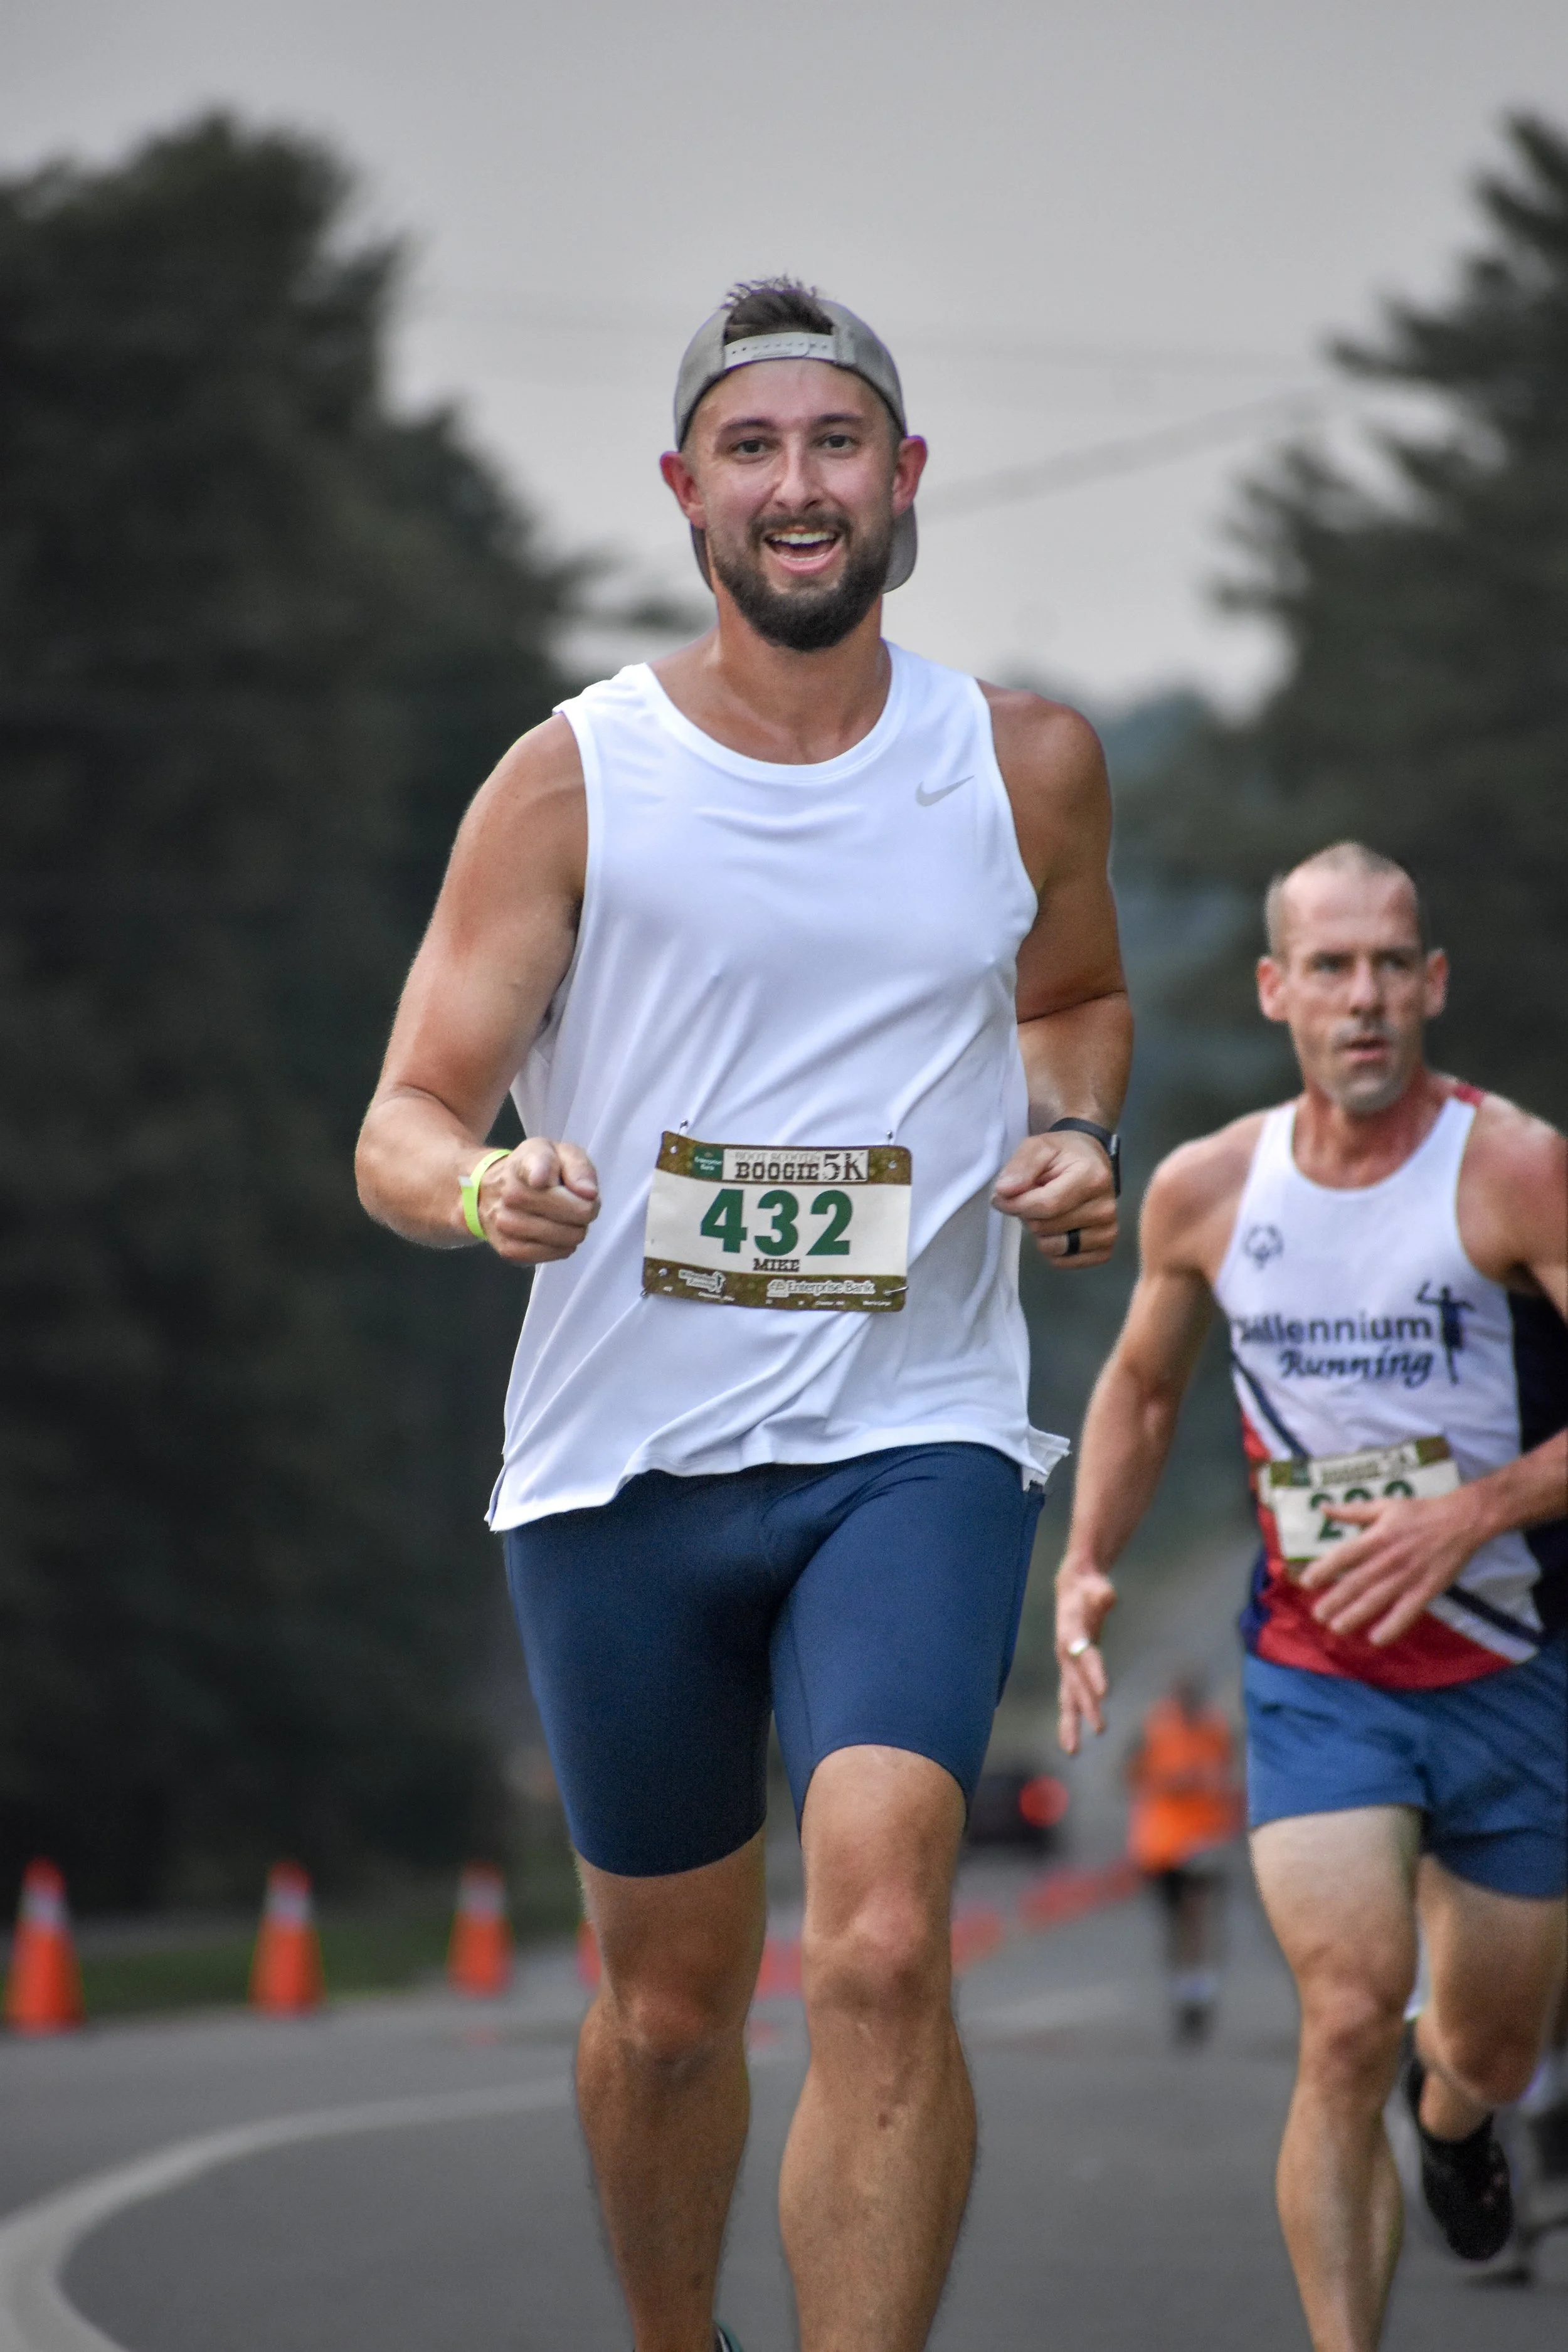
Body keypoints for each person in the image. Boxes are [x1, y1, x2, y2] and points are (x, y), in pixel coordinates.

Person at [357, 278, 1130, 2352]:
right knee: (672, 2012)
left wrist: (1076, 1134)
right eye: (759, 451)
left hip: (918, 1433)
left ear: (906, 480)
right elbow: (403, 1121)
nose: (803, 490)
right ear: (691, 489)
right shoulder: (571, 778)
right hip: (624, 1461)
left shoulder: (1027, 761)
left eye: (840, 446)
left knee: (881, 1937)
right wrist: (480, 1183)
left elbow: (1073, 1001)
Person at [1054, 842, 1567, 2352]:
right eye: (1330, 966)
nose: (1364, 997)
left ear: (1432, 984)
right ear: (1278, 989)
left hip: (1508, 1663)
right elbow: (1143, 1390)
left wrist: (1473, 1509)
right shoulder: (1214, 1186)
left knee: (1487, 2036)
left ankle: (1457, 2112)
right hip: (1318, 1667)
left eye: (1391, 964)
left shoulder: (1516, 1167)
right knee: (1346, 2011)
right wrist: (1089, 1558)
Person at [1124, 1667, 1241, 2043]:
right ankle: (1183, 1991)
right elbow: (1127, 1775)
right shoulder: (1153, 1727)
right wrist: (1167, 1781)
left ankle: (1199, 1993)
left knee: (1198, 1916)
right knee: (1175, 1924)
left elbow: (1232, 1773)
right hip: (1160, 1844)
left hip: (1205, 1838)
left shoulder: (1217, 1729)